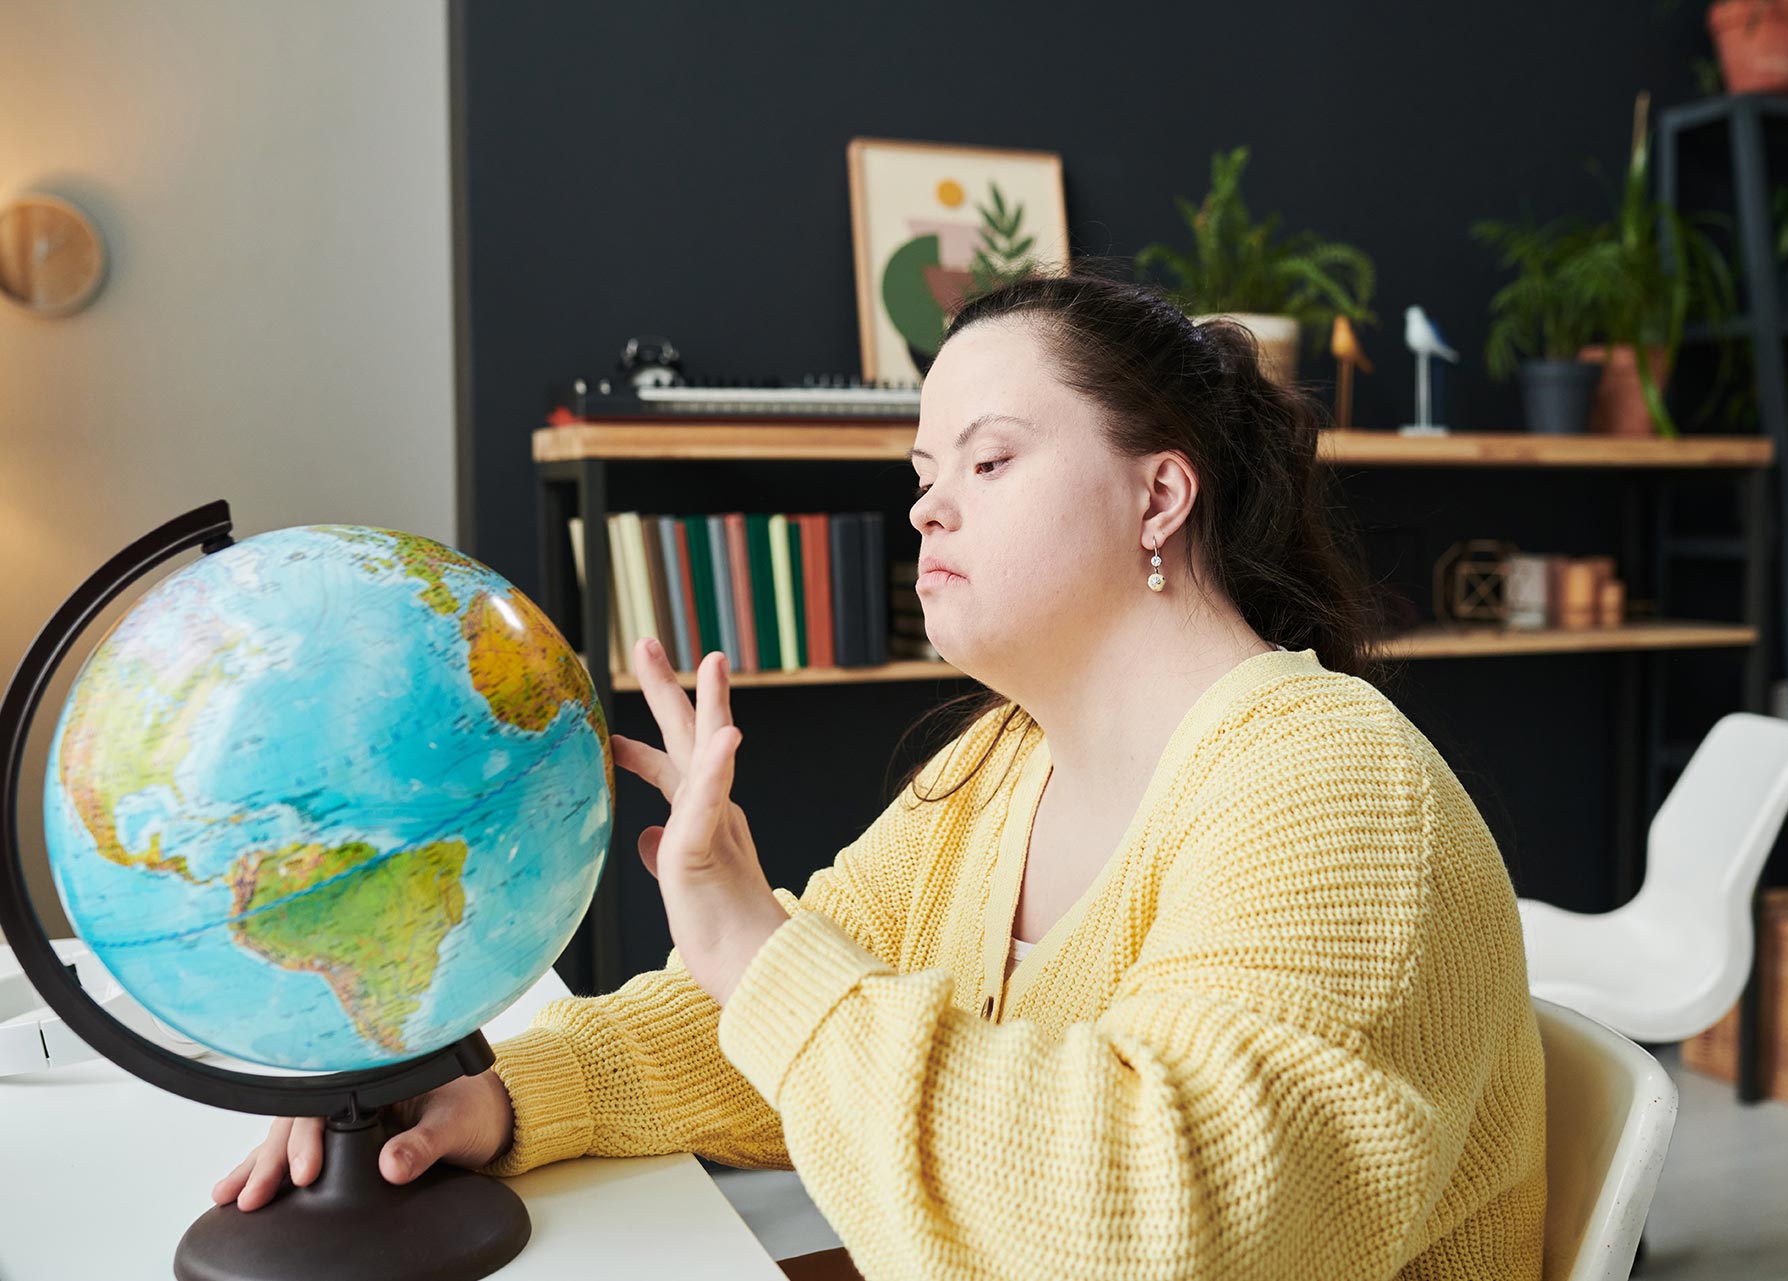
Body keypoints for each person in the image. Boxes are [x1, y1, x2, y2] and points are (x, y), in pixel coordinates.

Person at [214, 270, 1548, 1280]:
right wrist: (497, 1092)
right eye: (922, 471)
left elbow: (1171, 1222)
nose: (926, 505)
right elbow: (792, 1030)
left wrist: (755, 945)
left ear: (1158, 499)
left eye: (990, 458)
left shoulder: (1332, 782)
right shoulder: (1001, 762)